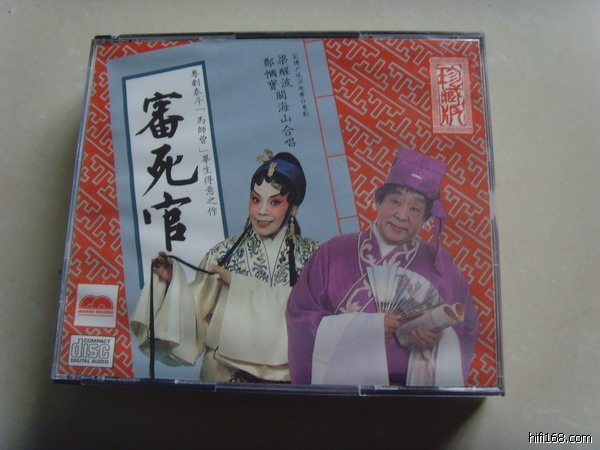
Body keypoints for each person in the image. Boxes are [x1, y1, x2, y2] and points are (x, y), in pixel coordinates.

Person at [285, 147, 479, 386]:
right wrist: (366, 328)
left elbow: (466, 326)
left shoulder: (441, 266)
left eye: (415, 209)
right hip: (344, 396)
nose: (401, 215)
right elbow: (300, 316)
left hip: (410, 398)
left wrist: (438, 337)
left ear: (426, 218)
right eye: (395, 201)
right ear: (378, 201)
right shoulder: (333, 252)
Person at [130, 150, 319, 382]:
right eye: (255, 199)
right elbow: (196, 316)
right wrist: (172, 284)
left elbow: (318, 319)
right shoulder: (223, 254)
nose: (261, 211)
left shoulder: (313, 257)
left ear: (294, 208)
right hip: (225, 374)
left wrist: (239, 286)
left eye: (275, 202)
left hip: (288, 376)